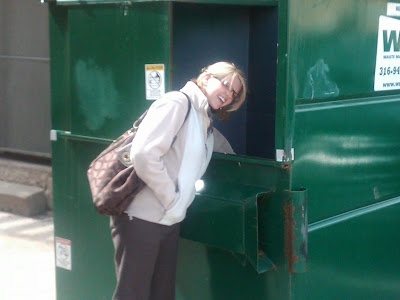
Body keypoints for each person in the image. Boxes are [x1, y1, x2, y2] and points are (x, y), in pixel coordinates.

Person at [110, 61, 247, 300]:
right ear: (206, 78)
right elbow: (143, 154)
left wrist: (176, 207)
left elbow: (217, 153)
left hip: (168, 220)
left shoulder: (204, 121)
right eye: (225, 84)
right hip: (141, 218)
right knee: (132, 295)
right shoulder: (177, 103)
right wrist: (172, 199)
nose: (228, 93)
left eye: (234, 93)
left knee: (162, 295)